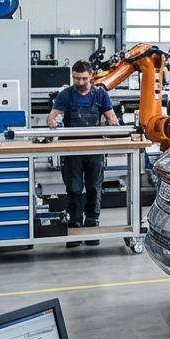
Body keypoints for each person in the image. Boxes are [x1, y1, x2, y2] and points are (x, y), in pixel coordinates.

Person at [47, 61, 118, 240]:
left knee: (94, 187)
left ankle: (92, 221)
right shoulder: (66, 95)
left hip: (95, 149)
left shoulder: (100, 94)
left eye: (84, 79)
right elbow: (52, 116)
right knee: (74, 188)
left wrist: (113, 122)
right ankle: (75, 222)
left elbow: (111, 117)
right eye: (76, 78)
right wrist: (53, 121)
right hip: (72, 150)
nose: (79, 82)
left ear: (91, 77)